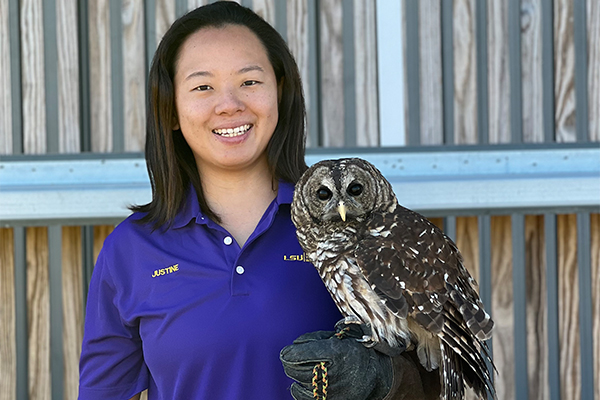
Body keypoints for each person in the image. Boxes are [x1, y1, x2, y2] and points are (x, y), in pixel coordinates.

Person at [78, 2, 440, 399]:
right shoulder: (132, 250)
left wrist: (386, 380)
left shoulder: (362, 226)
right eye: (202, 86)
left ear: (280, 93)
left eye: (249, 82)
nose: (230, 103)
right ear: (172, 111)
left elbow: (438, 368)